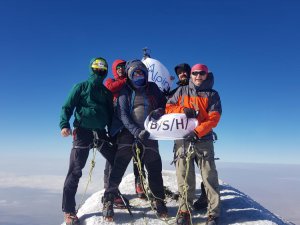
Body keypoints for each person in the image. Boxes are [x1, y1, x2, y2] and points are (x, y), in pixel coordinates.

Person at [102, 60, 168, 221]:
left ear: (145, 73)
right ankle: (108, 200)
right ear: (130, 75)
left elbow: (163, 104)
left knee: (154, 166)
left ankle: (159, 201)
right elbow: (123, 114)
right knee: (119, 165)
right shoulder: (125, 89)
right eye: (135, 73)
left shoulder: (152, 88)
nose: (138, 76)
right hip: (128, 132)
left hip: (149, 132)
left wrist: (160, 111)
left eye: (141, 73)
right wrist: (136, 131)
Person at [165, 63, 222, 225]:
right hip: (182, 140)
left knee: (209, 177)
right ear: (191, 75)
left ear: (206, 75)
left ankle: (214, 213)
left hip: (203, 141)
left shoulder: (212, 94)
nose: (198, 76)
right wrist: (182, 109)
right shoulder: (180, 91)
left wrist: (198, 132)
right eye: (195, 73)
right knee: (184, 177)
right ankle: (185, 211)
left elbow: (214, 118)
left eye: (202, 73)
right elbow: (168, 108)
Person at [59, 57, 114, 225]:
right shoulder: (81, 86)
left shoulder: (106, 93)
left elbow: (111, 115)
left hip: (100, 132)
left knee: (115, 159)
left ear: (105, 72)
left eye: (102, 69)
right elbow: (67, 106)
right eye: (97, 69)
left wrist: (112, 133)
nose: (99, 71)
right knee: (75, 170)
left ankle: (109, 197)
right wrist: (64, 124)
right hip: (82, 132)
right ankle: (69, 211)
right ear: (91, 69)